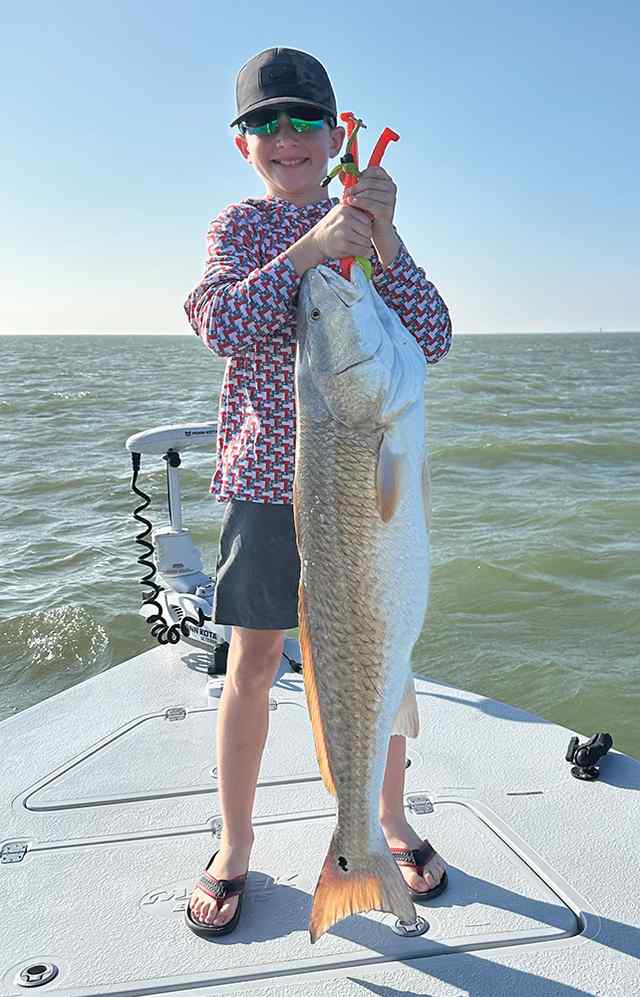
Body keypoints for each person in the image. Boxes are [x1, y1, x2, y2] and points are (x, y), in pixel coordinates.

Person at [183, 47, 453, 936]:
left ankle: (381, 824)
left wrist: (384, 238)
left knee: (380, 655)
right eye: (266, 123)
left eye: (305, 121)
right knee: (252, 665)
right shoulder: (241, 227)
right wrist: (310, 250)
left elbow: (434, 337)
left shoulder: (367, 227)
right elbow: (221, 321)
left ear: (337, 133)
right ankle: (236, 840)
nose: (286, 138)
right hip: (267, 487)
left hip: (360, 485)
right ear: (244, 145)